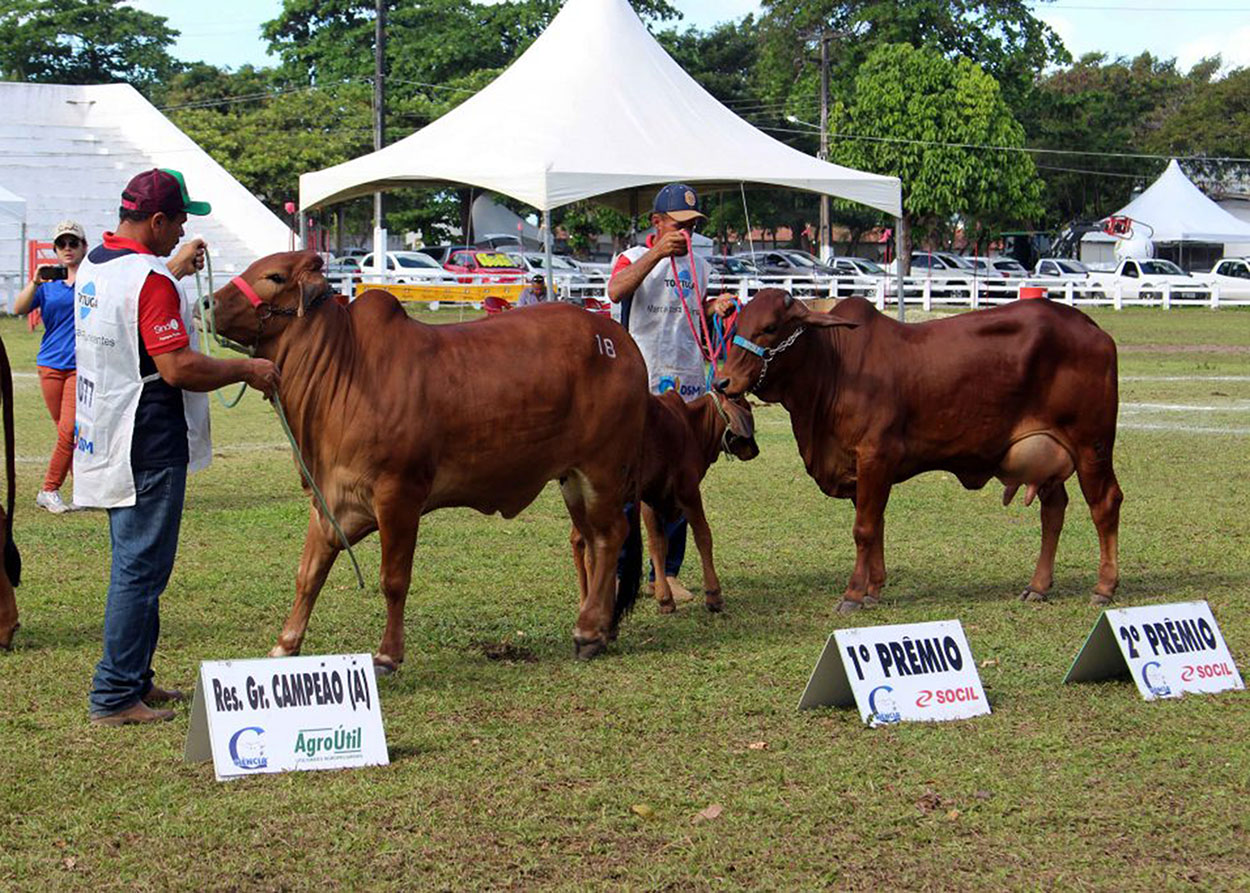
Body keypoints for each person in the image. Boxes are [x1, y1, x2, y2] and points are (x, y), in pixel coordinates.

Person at [76, 168, 280, 726]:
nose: (183, 228)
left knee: (133, 563)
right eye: (179, 220)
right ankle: (115, 694)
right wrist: (248, 368)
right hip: (147, 440)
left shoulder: (96, 264)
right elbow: (177, 367)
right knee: (140, 571)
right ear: (158, 219)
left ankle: (134, 679)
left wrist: (169, 268)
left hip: (109, 431)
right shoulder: (152, 280)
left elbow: (133, 302)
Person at [607, 183, 735, 602]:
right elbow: (616, 291)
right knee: (628, 481)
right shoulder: (630, 258)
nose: (686, 234)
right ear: (657, 224)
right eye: (678, 226)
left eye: (693, 226)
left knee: (683, 482)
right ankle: (620, 571)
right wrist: (657, 254)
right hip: (640, 385)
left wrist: (715, 307)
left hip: (686, 383)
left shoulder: (699, 266)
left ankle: (669, 574)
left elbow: (694, 312)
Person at [13, 220, 88, 514]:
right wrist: (34, 281)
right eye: (62, 244)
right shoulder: (48, 285)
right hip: (50, 366)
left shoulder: (94, 281)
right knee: (65, 432)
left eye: (73, 243)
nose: (67, 249)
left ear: (84, 246)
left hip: (81, 367)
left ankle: (49, 489)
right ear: (56, 250)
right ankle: (83, 490)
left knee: (69, 431)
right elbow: (17, 309)